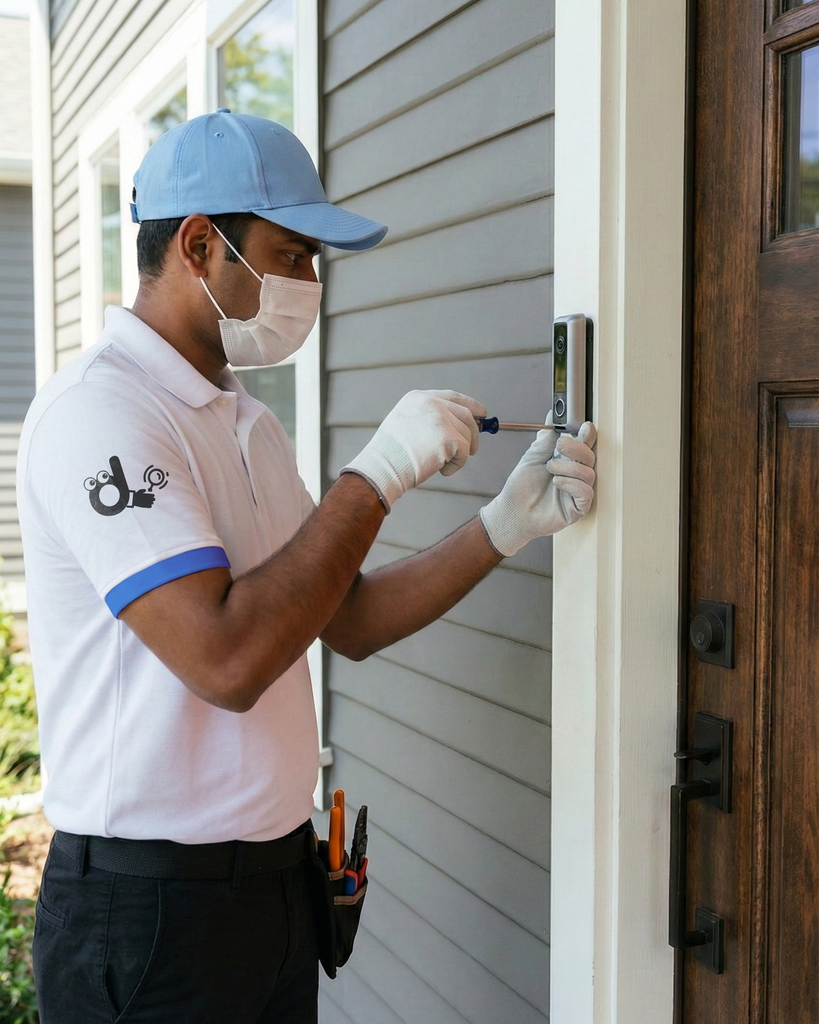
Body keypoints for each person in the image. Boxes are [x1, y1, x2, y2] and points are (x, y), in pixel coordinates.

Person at [17, 110, 596, 1024]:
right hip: (148, 918)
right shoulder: (101, 414)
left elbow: (347, 617)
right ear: (201, 246)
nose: (308, 284)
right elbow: (228, 660)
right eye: (290, 255)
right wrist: (375, 476)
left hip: (274, 895)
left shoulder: (247, 421)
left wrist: (503, 526)